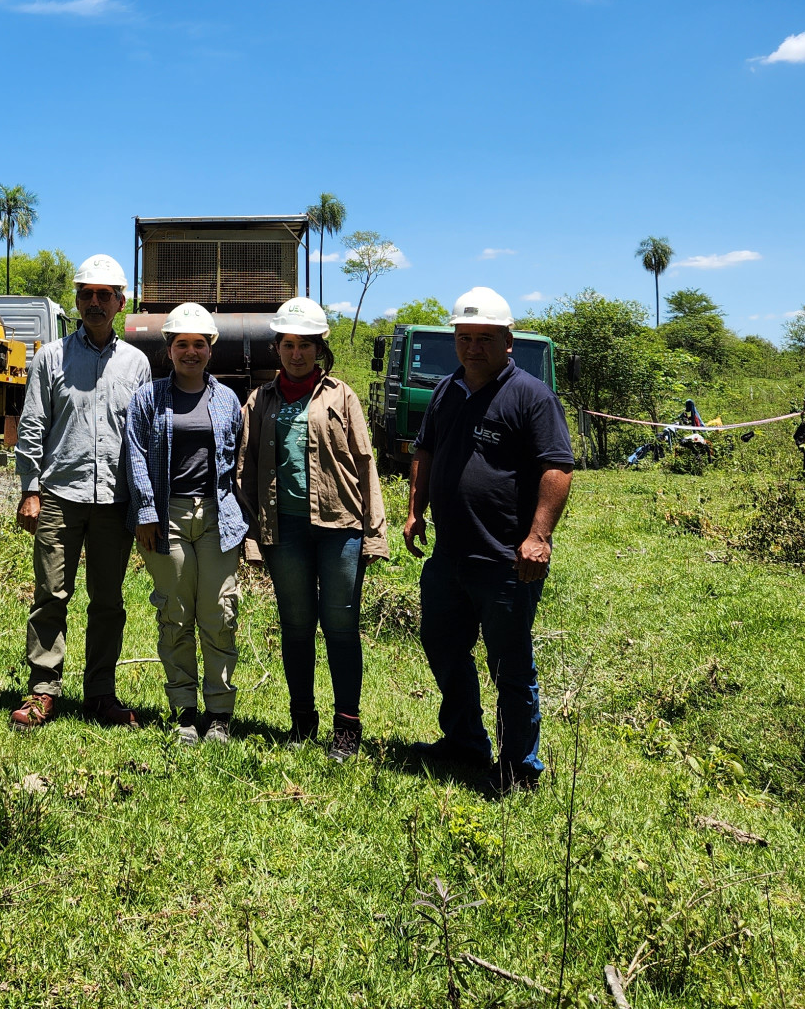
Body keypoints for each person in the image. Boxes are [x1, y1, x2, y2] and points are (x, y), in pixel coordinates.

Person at [405, 287, 575, 794]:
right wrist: (415, 511)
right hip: (449, 556)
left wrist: (539, 536)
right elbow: (425, 450)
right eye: (464, 337)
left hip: (506, 560)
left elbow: (557, 467)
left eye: (484, 338)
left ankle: (519, 767)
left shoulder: (531, 396)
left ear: (508, 341)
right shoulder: (446, 390)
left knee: (510, 665)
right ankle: (465, 742)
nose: (472, 347)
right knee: (443, 647)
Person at [238, 296, 388, 758]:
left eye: (305, 345)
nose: (297, 353)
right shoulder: (260, 400)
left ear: (320, 348)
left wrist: (374, 532)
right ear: (277, 349)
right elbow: (245, 468)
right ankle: (302, 719)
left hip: (340, 527)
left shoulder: (342, 395)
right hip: (284, 531)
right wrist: (251, 535)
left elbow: (365, 461)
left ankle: (347, 726)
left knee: (341, 625)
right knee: (297, 625)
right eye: (288, 344)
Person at [11, 254, 153, 729]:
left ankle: (100, 694)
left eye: (103, 295)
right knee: (51, 594)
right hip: (59, 496)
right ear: (76, 300)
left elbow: (144, 437)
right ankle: (43, 690)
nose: (94, 302)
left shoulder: (136, 364)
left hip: (114, 500)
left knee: (108, 602)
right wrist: (30, 490)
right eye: (87, 293)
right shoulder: (51, 358)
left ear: (120, 303)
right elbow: (33, 425)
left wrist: (145, 503)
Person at [125, 303, 247, 744]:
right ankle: (184, 713)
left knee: (218, 614)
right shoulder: (148, 398)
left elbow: (237, 462)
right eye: (182, 344)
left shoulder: (228, 400)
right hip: (166, 518)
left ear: (210, 349)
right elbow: (136, 454)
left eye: (199, 344)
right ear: (169, 349)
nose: (191, 352)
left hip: (217, 517)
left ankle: (219, 714)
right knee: (175, 615)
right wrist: (146, 513)